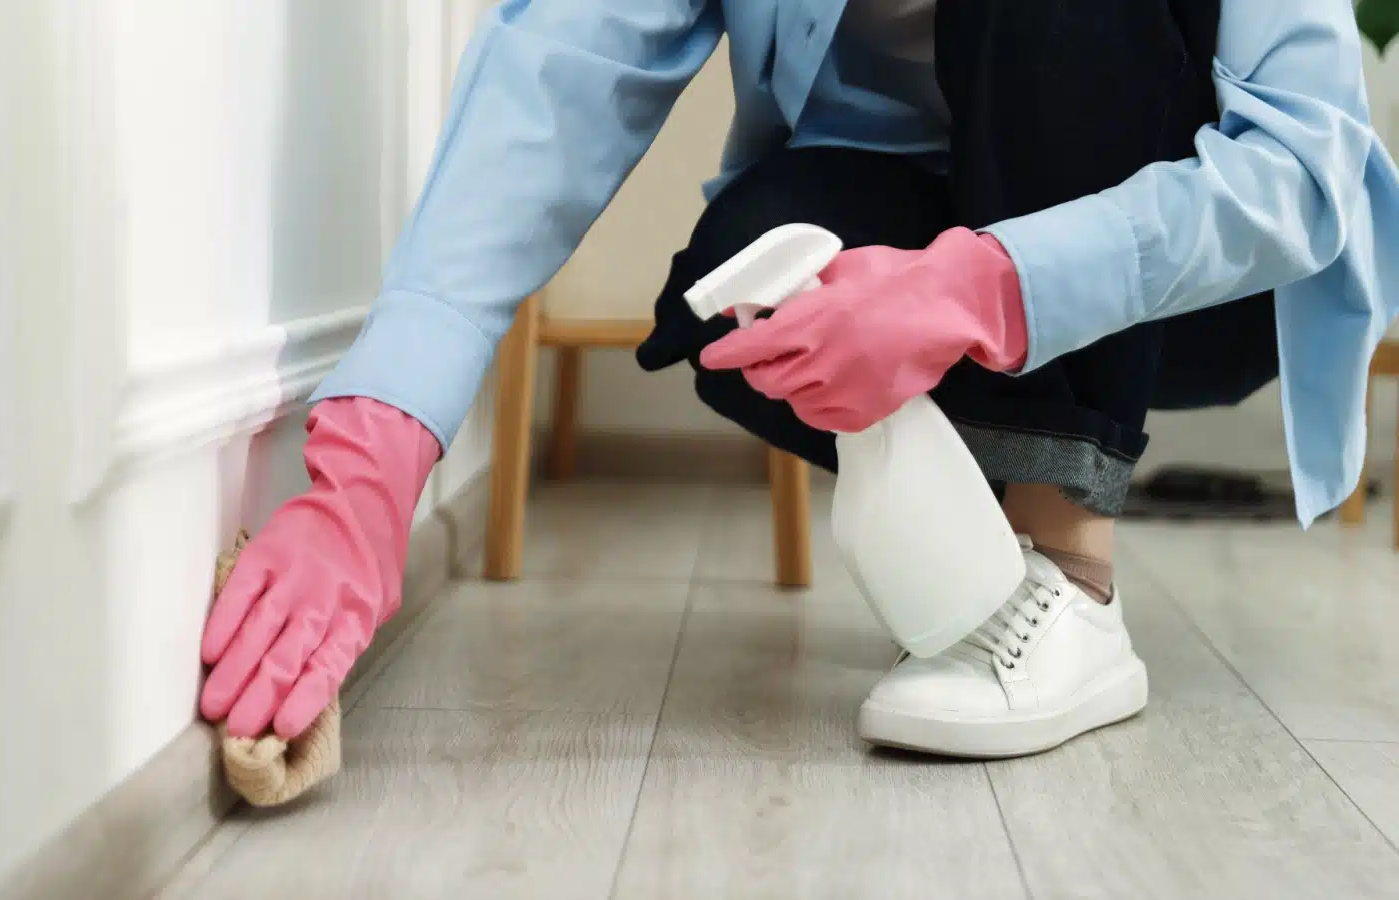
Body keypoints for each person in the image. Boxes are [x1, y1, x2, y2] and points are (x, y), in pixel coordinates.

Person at [197, 0, 1399, 758]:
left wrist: (981, 285)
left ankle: (1069, 575)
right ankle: (984, 568)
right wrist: (371, 459)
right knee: (737, 281)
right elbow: (551, 82)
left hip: (1189, 284)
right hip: (906, 237)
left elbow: (1305, 169)